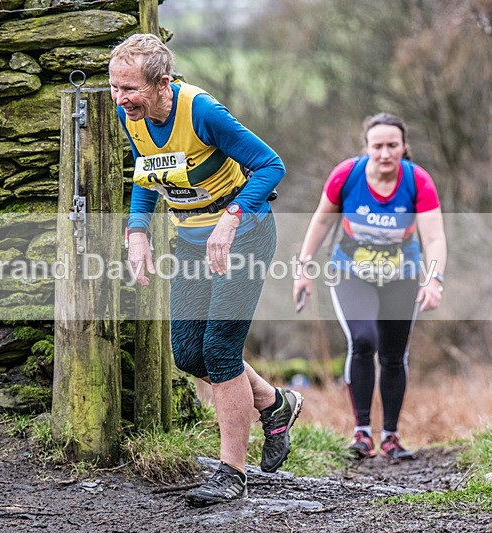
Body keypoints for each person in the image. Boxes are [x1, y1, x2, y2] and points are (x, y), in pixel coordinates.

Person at [109, 34, 303, 506]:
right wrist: (137, 232)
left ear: (161, 83)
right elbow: (146, 173)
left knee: (219, 349)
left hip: (245, 235)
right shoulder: (129, 115)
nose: (120, 98)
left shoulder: (201, 113)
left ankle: (231, 473)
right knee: (188, 355)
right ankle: (277, 405)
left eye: (129, 88)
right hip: (192, 239)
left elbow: (270, 166)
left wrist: (232, 217)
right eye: (114, 87)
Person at [293, 113, 446, 460]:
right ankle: (361, 433)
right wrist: (302, 268)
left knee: (393, 355)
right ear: (366, 148)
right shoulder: (347, 176)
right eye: (377, 146)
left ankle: (390, 436)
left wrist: (434, 278)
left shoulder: (417, 181)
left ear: (404, 147)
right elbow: (320, 222)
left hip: (401, 276)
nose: (385, 153)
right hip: (350, 272)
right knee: (363, 340)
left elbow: (434, 238)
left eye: (393, 145)